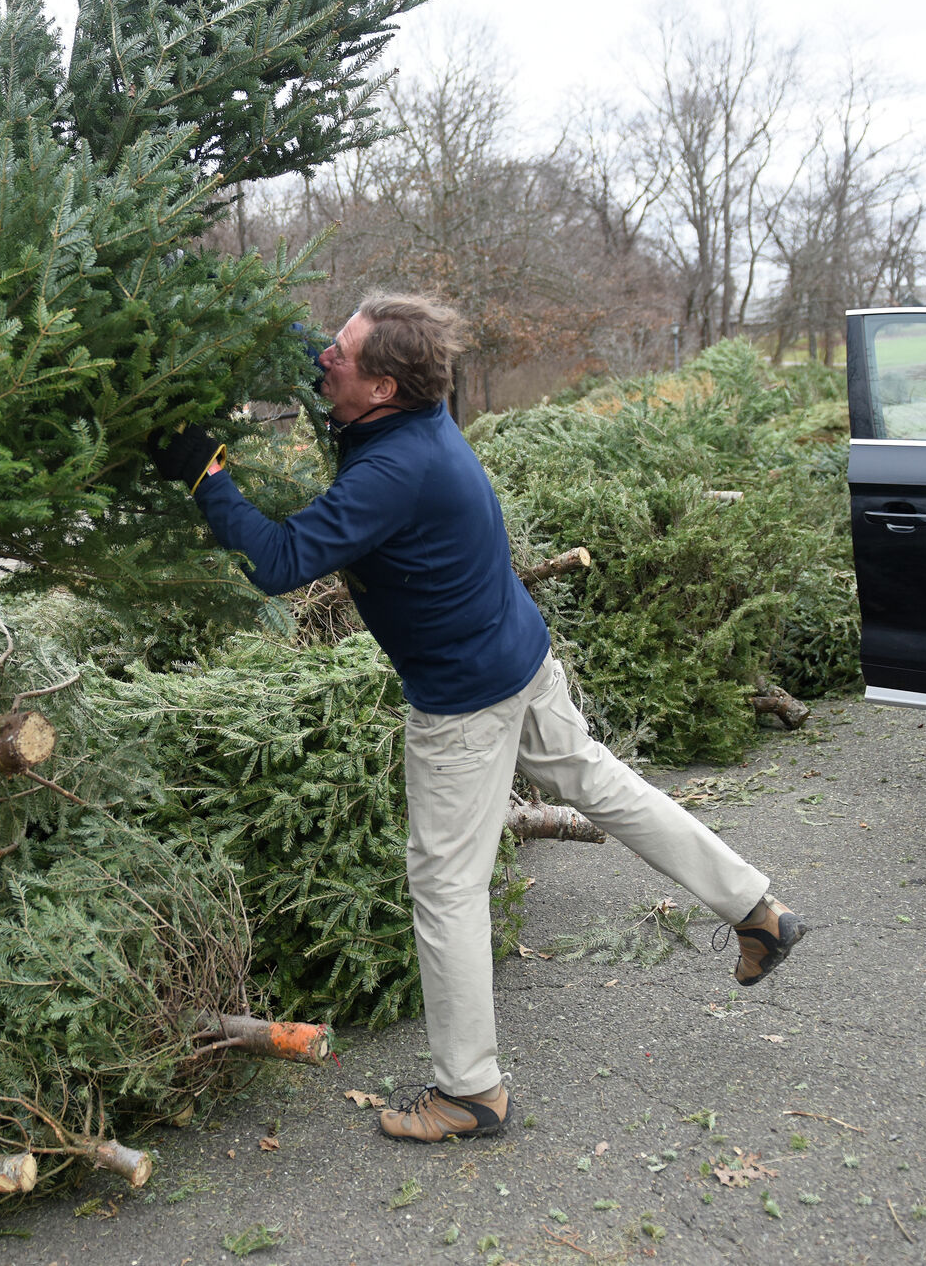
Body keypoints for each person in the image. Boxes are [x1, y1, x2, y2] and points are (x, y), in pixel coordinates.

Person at [150, 293, 808, 1144]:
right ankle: (758, 907)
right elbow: (347, 391)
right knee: (603, 785)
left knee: (445, 886)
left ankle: (468, 1092)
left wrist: (209, 476)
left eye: (338, 355)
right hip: (520, 658)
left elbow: (278, 562)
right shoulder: (414, 418)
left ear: (384, 385)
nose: (322, 360)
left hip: (467, 700)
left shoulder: (394, 471)